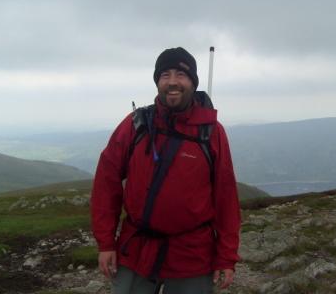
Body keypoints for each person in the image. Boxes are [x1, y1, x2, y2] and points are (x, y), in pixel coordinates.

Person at [91, 47, 240, 294]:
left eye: (181, 75)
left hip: (192, 254)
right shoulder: (136, 124)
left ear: (192, 81)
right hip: (137, 249)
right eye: (165, 75)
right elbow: (106, 184)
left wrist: (226, 257)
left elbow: (225, 198)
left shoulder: (211, 132)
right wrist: (106, 243)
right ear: (157, 81)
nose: (172, 82)